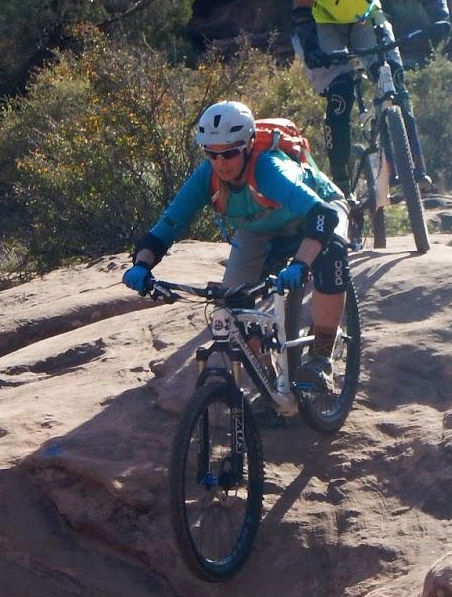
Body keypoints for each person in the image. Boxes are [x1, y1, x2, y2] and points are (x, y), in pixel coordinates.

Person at [122, 100, 351, 391]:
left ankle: (321, 357)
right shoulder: (207, 176)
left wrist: (302, 263)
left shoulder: (269, 169)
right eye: (211, 154)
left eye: (229, 153)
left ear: (247, 145)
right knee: (232, 307)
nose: (221, 163)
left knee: (332, 254)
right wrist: (142, 264)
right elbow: (167, 227)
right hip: (259, 229)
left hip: (318, 211)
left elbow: (323, 216)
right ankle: (270, 384)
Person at [288, 0, 451, 192]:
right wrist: (311, 48)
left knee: (395, 81)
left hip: (366, 18)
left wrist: (440, 16)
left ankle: (415, 168)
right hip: (323, 22)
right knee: (340, 93)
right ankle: (339, 180)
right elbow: (301, 9)